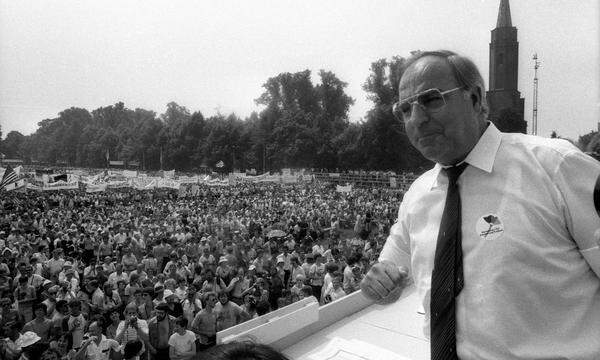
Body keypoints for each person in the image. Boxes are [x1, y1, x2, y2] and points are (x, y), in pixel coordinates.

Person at [360, 50, 600, 359]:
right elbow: (387, 274)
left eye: (431, 100)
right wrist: (380, 285)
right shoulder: (418, 196)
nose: (417, 119)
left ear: (475, 98)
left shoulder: (555, 167)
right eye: (405, 109)